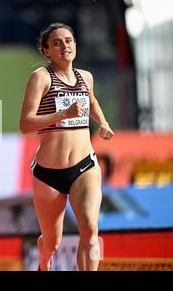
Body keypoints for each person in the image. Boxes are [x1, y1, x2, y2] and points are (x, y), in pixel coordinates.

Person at [19, 23, 114, 271]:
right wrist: (62, 114)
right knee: (52, 242)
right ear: (46, 50)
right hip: (49, 174)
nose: (65, 46)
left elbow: (91, 100)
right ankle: (43, 261)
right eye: (57, 43)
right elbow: (26, 124)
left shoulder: (86, 77)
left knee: (90, 230)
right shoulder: (41, 78)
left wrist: (102, 123)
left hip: (85, 166)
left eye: (69, 41)